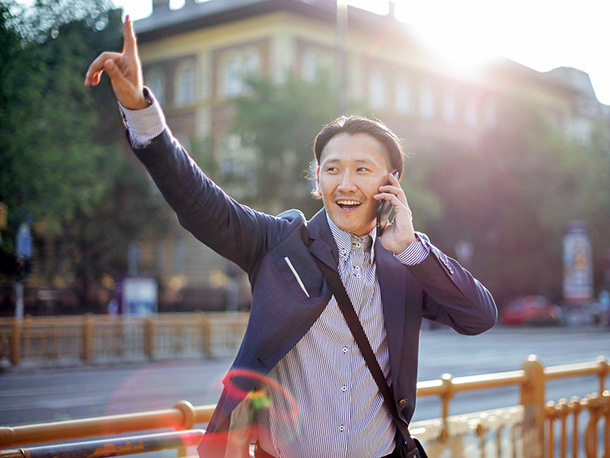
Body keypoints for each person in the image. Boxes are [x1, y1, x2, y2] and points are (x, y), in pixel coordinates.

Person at [86, 17, 497, 458]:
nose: (346, 183)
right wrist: (141, 114)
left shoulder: (407, 262)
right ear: (316, 180)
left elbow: (478, 316)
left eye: (362, 169)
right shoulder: (278, 244)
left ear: (390, 182)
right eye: (333, 169)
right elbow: (198, 201)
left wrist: (414, 249)